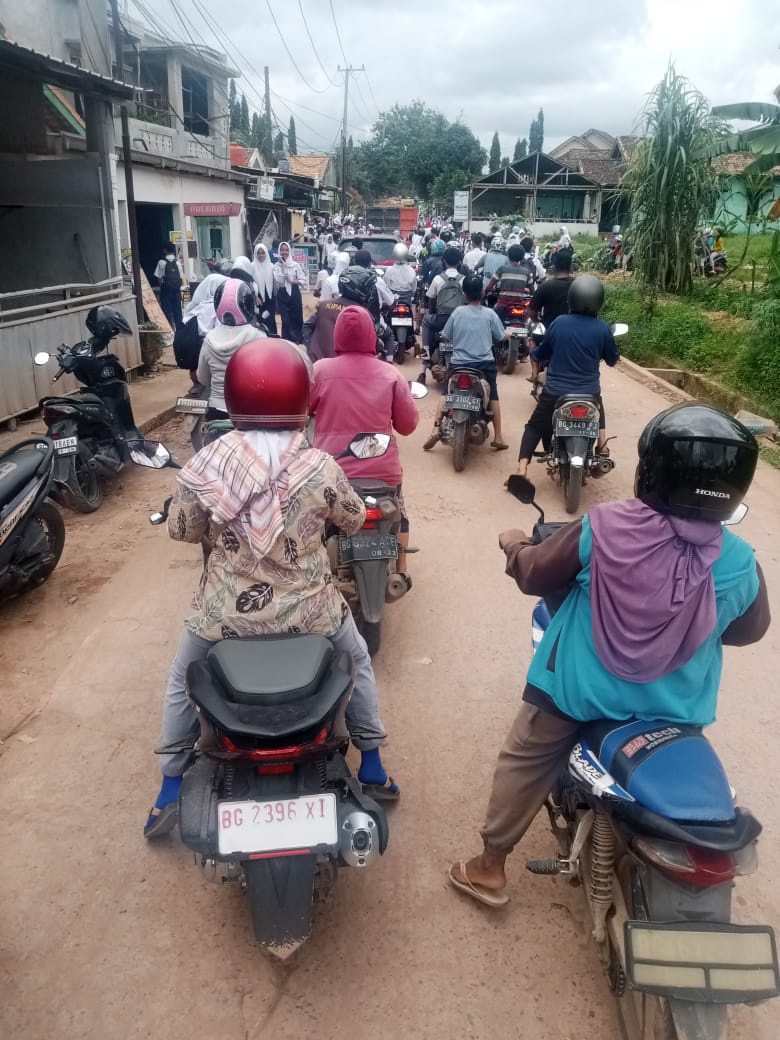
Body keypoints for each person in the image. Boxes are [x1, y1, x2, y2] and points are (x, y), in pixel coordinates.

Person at [448, 404, 769, 906]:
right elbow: (750, 630)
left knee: (526, 757)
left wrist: (513, 545)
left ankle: (489, 868)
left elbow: (534, 575)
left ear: (652, 468)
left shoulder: (606, 529)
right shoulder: (740, 560)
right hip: (674, 711)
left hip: (578, 696)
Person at [144, 339, 400, 838]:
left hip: (223, 617)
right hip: (312, 612)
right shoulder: (320, 465)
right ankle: (371, 763)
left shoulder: (207, 463)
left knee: (180, 679)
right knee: (358, 661)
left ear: (235, 395)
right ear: (301, 397)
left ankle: (170, 788)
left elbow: (182, 530)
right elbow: (352, 520)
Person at [311, 306, 419, 574]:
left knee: (315, 517)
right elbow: (407, 426)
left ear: (337, 335)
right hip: (382, 474)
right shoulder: (390, 374)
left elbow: (301, 413)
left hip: (331, 471)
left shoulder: (319, 371)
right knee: (399, 514)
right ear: (372, 335)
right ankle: (402, 570)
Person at [515, 276, 618, 476]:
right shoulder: (603, 328)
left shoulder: (560, 323)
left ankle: (521, 469)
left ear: (571, 299)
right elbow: (612, 360)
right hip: (589, 393)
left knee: (534, 427)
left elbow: (543, 351)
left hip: (556, 393)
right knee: (597, 406)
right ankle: (602, 446)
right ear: (599, 301)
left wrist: (534, 352)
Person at [423, 273, 509, 451]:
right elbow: (501, 336)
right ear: (482, 292)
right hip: (484, 365)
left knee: (446, 393)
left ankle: (434, 430)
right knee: (493, 395)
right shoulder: (490, 314)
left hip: (459, 365)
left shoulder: (457, 312)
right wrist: (508, 333)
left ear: (464, 294)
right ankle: (498, 437)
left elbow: (446, 335)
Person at [196, 278, 264, 419]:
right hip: (248, 410)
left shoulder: (209, 339)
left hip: (216, 411)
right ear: (249, 305)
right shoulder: (258, 337)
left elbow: (202, 378)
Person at [526, 250, 576, 385]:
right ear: (570, 267)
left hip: (549, 330)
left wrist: (538, 322)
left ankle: (534, 372)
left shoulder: (546, 286)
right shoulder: (577, 286)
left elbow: (531, 312)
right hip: (574, 330)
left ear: (554, 267)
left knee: (532, 341)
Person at [420, 246, 465, 375]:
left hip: (440, 319)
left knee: (426, 321)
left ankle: (426, 356)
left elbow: (431, 301)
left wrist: (432, 313)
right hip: (458, 321)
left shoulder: (438, 279)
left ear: (444, 261)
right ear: (459, 262)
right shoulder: (463, 279)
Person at [484, 244, 535, 325]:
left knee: (492, 323)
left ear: (508, 256)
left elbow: (489, 287)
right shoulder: (526, 272)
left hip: (502, 306)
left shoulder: (502, 269)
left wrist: (485, 293)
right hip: (519, 307)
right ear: (522, 257)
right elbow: (533, 292)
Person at [273, 241, 308, 343]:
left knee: (297, 318)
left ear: (289, 251)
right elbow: (279, 281)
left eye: (286, 250)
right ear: (279, 251)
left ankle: (297, 341)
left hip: (294, 293)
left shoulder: (295, 265)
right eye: (282, 250)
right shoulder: (276, 266)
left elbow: (303, 280)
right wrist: (283, 266)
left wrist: (293, 281)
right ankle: (286, 342)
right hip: (282, 294)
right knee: (285, 321)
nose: (284, 252)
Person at [154, 243, 184, 331]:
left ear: (165, 251)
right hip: (176, 291)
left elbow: (158, 277)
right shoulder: (177, 263)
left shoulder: (161, 262)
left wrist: (162, 287)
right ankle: (179, 331)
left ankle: (170, 330)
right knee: (177, 311)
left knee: (167, 310)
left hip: (166, 291)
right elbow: (181, 277)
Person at [251, 243, 276, 330]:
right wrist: (255, 296)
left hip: (270, 298)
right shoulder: (252, 266)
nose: (261, 255)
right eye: (258, 253)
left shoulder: (271, 266)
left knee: (270, 322)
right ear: (255, 254)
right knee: (259, 322)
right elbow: (250, 282)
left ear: (266, 253)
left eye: (263, 253)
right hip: (258, 299)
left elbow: (275, 284)